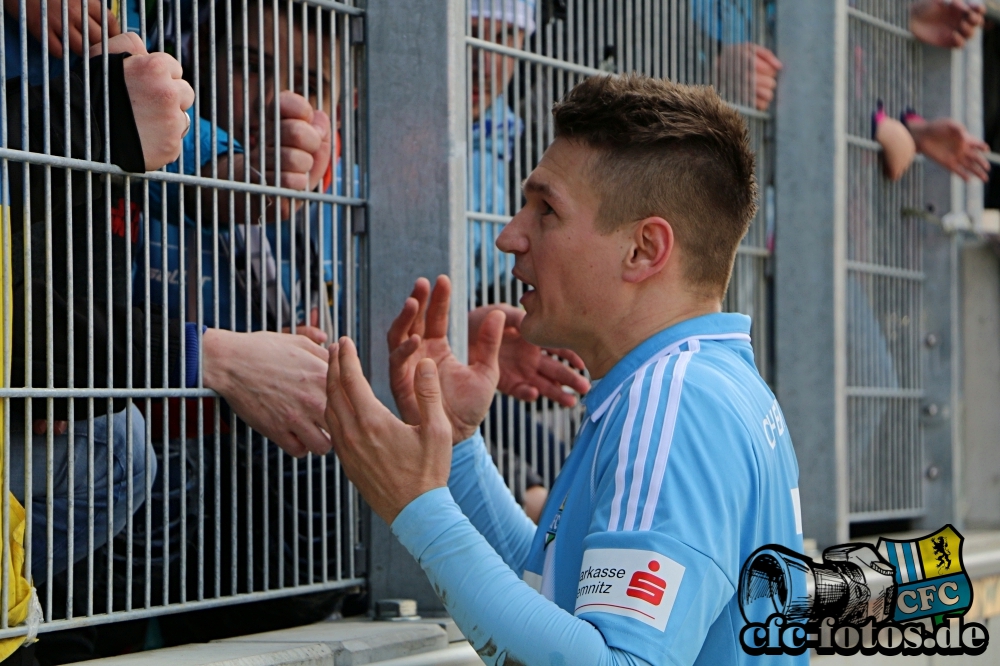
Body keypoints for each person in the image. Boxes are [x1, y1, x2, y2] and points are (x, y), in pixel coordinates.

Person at [325, 74, 804, 665]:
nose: (509, 237)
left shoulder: (676, 399)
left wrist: (416, 507)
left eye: (546, 209)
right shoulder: (699, 381)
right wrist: (460, 452)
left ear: (644, 250)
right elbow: (558, 593)